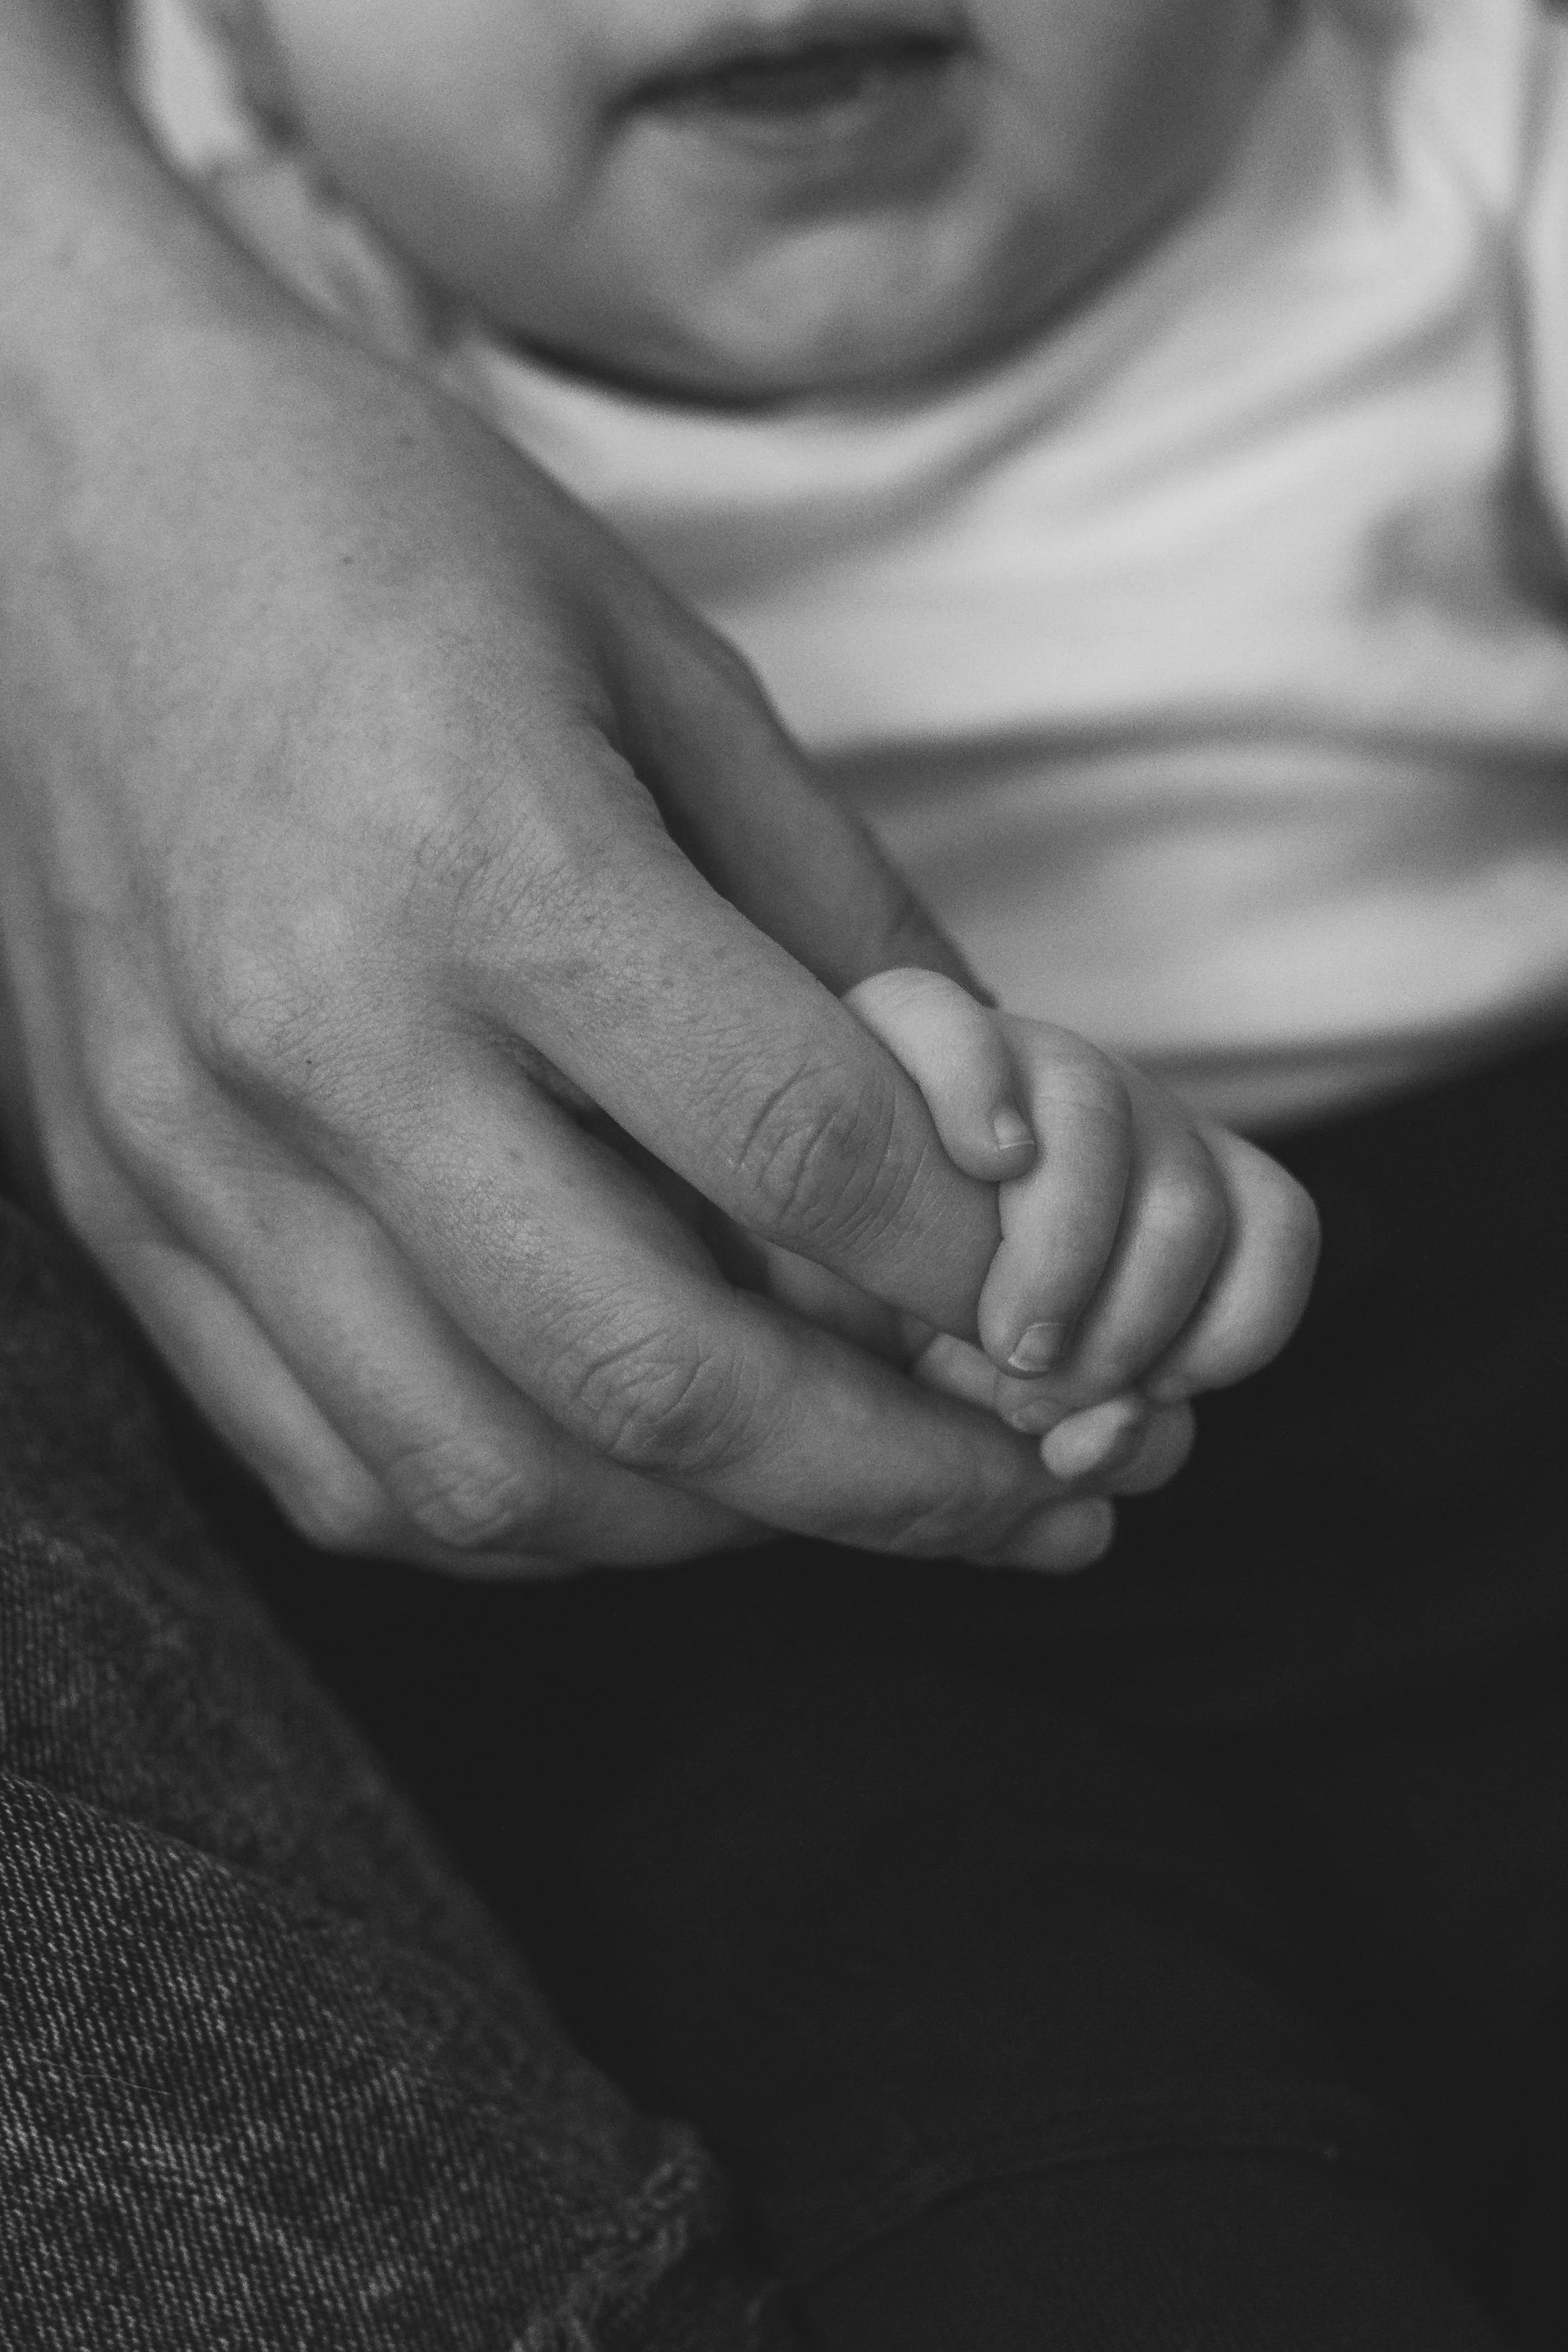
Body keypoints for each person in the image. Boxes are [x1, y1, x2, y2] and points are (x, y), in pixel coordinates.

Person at [7, 0, 1568, 2347]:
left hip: (1497, 1334)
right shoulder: (243, 280)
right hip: (761, 1567)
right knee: (1015, 2123)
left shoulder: (1444, 122)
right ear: (234, 41)